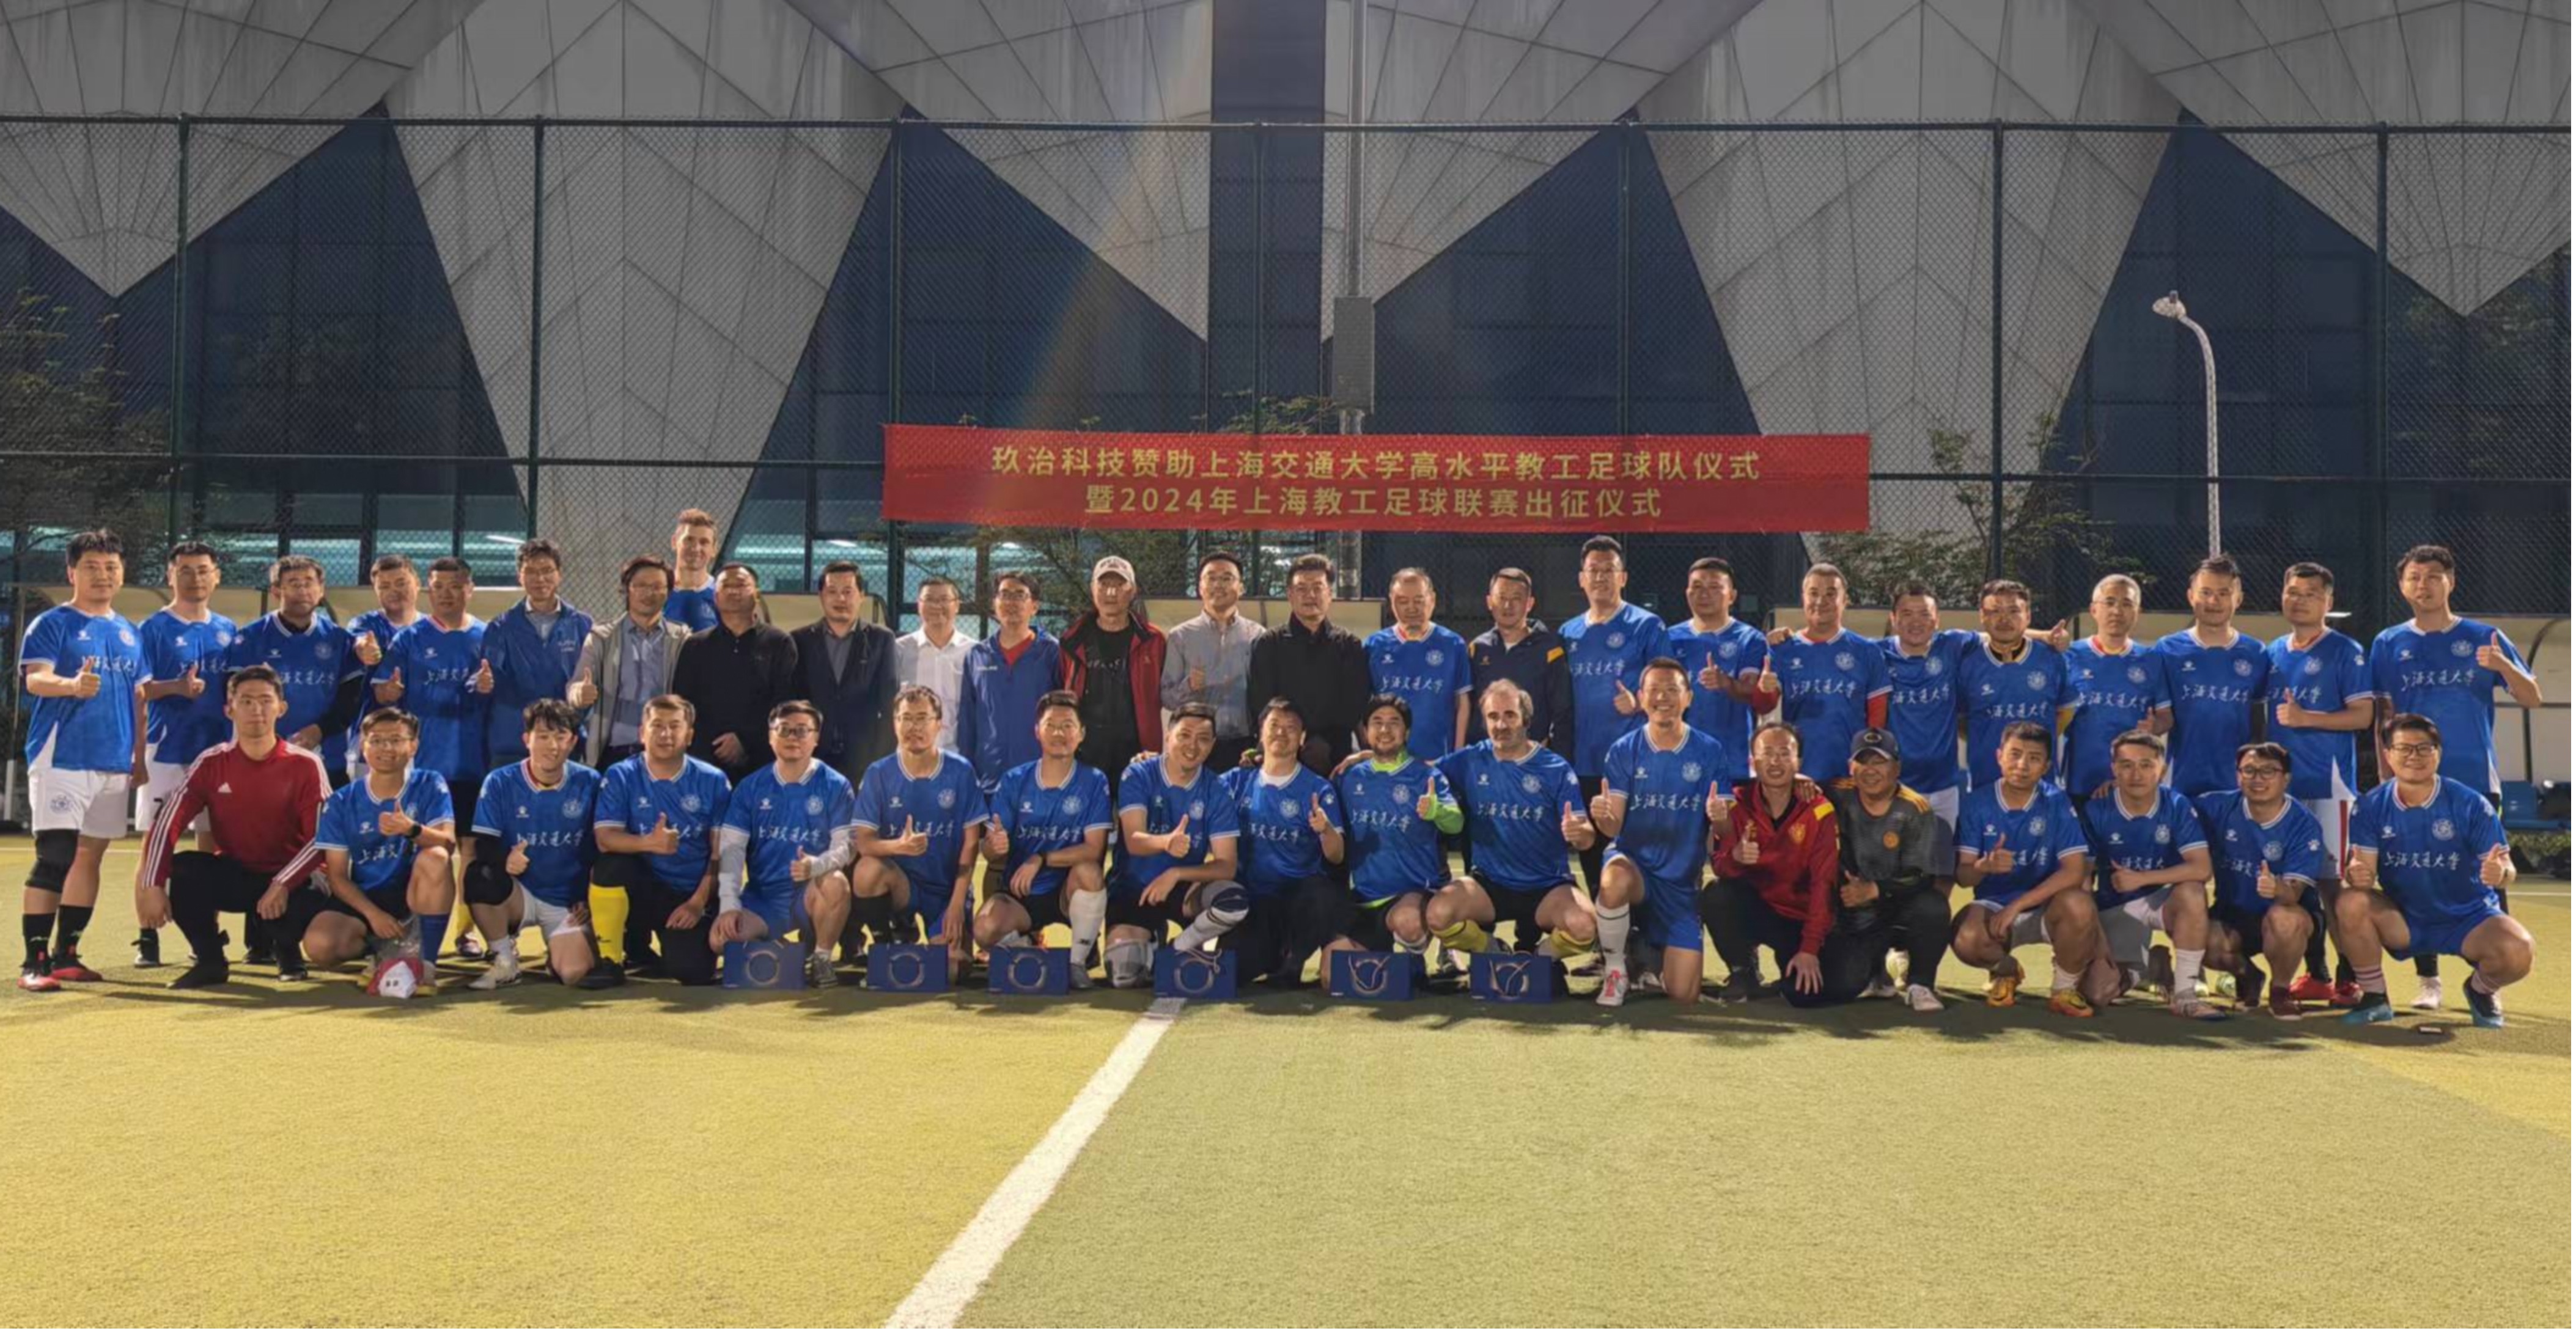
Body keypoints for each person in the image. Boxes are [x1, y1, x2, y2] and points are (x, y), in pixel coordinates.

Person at [2368, 543, 2542, 1010]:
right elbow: (2384, 716)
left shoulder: (2485, 637)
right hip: (2411, 784)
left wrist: (2503, 666)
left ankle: (2488, 984)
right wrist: (2386, 777)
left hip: (2475, 783)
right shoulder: (2388, 643)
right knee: (2413, 877)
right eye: (2414, 577)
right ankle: (2429, 981)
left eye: (2433, 576)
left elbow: (2532, 697)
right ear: (2402, 586)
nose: (2423, 585)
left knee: (2489, 876)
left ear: (2451, 581)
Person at [131, 666, 329, 988]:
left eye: (265, 701)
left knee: (302, 899)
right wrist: (153, 884)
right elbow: (168, 822)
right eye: (246, 701)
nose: (256, 710)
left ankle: (287, 951)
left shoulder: (306, 764)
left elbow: (322, 839)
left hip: (296, 878)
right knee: (185, 870)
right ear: (229, 710)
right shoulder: (211, 762)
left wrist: (282, 883)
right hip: (241, 873)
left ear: (281, 708)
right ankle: (210, 961)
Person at [2336, 714, 2533, 1029]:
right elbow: (2365, 872)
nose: (2414, 756)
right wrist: (2356, 875)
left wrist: (2502, 874)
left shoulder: (2471, 803)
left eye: (2424, 748)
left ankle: (2480, 991)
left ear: (2438, 753)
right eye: (2404, 748)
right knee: (2351, 901)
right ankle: (2375, 997)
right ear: (2388, 755)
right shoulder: (2370, 806)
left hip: (2468, 918)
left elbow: (2507, 867)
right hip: (2405, 919)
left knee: (2519, 951)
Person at [18, 530, 146, 991]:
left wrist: (138, 758)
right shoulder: (52, 623)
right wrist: (72, 685)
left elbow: (138, 699)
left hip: (113, 761)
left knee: (90, 856)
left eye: (111, 567)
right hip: (62, 756)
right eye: (92, 566)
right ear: (72, 573)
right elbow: (36, 679)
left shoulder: (130, 632)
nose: (103, 575)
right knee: (55, 855)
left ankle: (66, 954)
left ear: (122, 573)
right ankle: (33, 964)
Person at [274, 707, 458, 991]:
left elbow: (447, 842)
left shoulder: (430, 783)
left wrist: (411, 829)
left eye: (396, 740)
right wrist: (374, 915)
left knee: (436, 857)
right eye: (377, 740)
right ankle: (383, 950)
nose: (386, 748)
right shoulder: (341, 801)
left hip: (414, 892)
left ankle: (426, 964)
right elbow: (337, 876)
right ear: (363, 746)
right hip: (368, 896)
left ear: (413, 746)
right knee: (320, 946)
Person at [1948, 721, 2118, 1018]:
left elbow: (2074, 871)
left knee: (2098, 984)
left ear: (2047, 766)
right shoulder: (1977, 803)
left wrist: (2017, 906)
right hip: (1994, 905)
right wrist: (1984, 866)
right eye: (2015, 755)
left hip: (2049, 907)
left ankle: (2064, 989)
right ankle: (2006, 971)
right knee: (1966, 939)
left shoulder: (2057, 801)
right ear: (1999, 756)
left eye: (2034, 758)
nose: (2022, 765)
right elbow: (1964, 877)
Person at [1587, 658, 1729, 1007]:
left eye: (1672, 690)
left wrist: (1720, 817)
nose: (1662, 697)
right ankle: (1616, 969)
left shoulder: (1710, 751)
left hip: (1680, 886)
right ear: (1641, 697)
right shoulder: (1624, 750)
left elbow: (1724, 829)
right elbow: (1613, 827)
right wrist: (1602, 816)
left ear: (1688, 698)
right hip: (1636, 870)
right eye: (1654, 690)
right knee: (1614, 879)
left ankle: (1646, 958)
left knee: (1684, 995)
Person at [370, 555, 490, 963]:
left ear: (470, 589)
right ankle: (405, 931)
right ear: (428, 590)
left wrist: (490, 687)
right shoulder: (410, 639)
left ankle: (465, 933)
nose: (446, 595)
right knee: (419, 848)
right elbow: (383, 691)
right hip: (422, 768)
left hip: (474, 762)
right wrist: (387, 692)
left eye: (455, 587)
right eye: (438, 587)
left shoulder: (486, 636)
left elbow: (500, 693)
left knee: (471, 850)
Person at [1425, 680, 1597, 965]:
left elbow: (1587, 837)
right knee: (1438, 914)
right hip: (1489, 883)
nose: (1501, 725)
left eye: (1510, 715)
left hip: (1547, 886)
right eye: (1493, 717)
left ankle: (1538, 959)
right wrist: (1379, 758)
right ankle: (1493, 951)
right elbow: (1423, 770)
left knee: (1585, 927)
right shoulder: (1470, 759)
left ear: (1526, 720)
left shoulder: (1555, 769)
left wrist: (1581, 833)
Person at [2266, 561, 2373, 1005]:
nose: (2300, 600)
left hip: (2330, 789)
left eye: (2311, 594)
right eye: (2293, 592)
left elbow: (2364, 716)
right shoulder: (2273, 651)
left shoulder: (2346, 651)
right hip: (2283, 792)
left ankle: (2352, 979)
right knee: (2296, 882)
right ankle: (2317, 975)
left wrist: (2306, 718)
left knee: (2335, 886)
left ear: (2328, 602)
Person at [131, 539, 238, 967]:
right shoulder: (152, 629)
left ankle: (205, 939)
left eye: (203, 570)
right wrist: (175, 687)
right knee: (156, 843)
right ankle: (147, 937)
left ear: (217, 576)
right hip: (166, 748)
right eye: (186, 571)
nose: (195, 578)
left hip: (216, 752)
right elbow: (137, 690)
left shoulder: (229, 629)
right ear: (170, 576)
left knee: (212, 847)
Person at [585, 695, 732, 988]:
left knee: (691, 971)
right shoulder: (621, 775)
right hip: (644, 887)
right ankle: (611, 960)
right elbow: (605, 839)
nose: (666, 734)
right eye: (657, 726)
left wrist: (697, 903)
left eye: (675, 726)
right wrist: (650, 844)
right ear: (642, 733)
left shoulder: (713, 780)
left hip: (689, 893)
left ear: (689, 735)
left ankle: (663, 946)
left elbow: (722, 854)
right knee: (610, 866)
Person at [711, 700, 856, 989]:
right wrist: (729, 905)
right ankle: (787, 953)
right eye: (784, 730)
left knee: (837, 883)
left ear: (816, 738)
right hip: (764, 897)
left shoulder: (836, 785)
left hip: (809, 892)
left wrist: (817, 865)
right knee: (719, 940)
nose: (793, 738)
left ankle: (821, 959)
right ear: (770, 737)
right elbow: (732, 850)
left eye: (802, 731)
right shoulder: (750, 787)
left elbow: (847, 847)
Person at [2080, 730, 2225, 1020]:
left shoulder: (2177, 805)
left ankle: (2185, 995)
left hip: (2163, 900)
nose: (2136, 774)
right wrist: (2097, 940)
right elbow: (2082, 881)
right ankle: (2149, 967)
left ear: (2162, 769)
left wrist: (2142, 879)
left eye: (2146, 765)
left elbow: (2201, 868)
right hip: (2115, 903)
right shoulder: (2096, 809)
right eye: (2127, 765)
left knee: (2193, 891)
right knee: (2097, 994)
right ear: (2114, 769)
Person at [973, 691, 1114, 986]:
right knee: (984, 929)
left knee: (1090, 873)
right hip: (1022, 891)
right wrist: (994, 846)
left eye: (1067, 726)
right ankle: (1027, 947)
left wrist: (1041, 858)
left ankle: (1078, 961)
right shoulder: (1014, 780)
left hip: (1066, 892)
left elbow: (1094, 849)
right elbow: (990, 851)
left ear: (1081, 733)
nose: (1059, 733)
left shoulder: (1094, 781)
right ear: (1037, 731)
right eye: (1051, 725)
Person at [848, 687, 989, 980]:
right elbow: (863, 841)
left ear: (939, 724)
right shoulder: (878, 773)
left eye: (923, 718)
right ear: (894, 724)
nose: (914, 727)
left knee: (952, 970)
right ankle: (887, 945)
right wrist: (898, 846)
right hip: (903, 885)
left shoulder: (961, 772)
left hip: (947, 891)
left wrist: (956, 904)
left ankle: (933, 931)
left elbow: (971, 844)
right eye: (906, 719)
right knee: (866, 871)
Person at [1312, 695, 1462, 970]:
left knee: (1409, 923)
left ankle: (1414, 961)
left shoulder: (1426, 776)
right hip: (1365, 899)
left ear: (1407, 732)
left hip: (1413, 893)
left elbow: (1456, 823)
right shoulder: (1349, 777)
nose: (1385, 729)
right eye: (1377, 722)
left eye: (1394, 723)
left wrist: (1437, 811)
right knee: (1332, 974)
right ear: (1365, 731)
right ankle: (1388, 961)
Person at [463, 699, 603, 989]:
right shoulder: (499, 781)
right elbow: (484, 844)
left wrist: (588, 897)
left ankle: (558, 951)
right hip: (518, 894)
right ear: (527, 739)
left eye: (561, 736)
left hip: (566, 900)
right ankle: (505, 960)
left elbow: (600, 848)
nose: (552, 746)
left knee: (573, 973)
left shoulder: (590, 782)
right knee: (480, 875)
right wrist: (505, 860)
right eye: (543, 736)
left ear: (573, 742)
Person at [1105, 703, 1246, 988]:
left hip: (1184, 890)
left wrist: (1177, 874)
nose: (1193, 746)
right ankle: (1151, 935)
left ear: (1213, 745)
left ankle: (1178, 948)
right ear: (1168, 736)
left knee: (1233, 901)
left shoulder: (1217, 789)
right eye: (1184, 735)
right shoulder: (1138, 774)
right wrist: (1166, 842)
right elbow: (1134, 841)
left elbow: (1227, 865)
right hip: (1134, 888)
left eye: (1203, 739)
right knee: (1124, 974)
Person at [1561, 535, 1668, 896]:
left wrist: (1639, 701)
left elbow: (1670, 688)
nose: (1601, 577)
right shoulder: (1568, 633)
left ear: (1623, 578)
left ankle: (1644, 926)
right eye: (1593, 570)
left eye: (1609, 570)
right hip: (1583, 761)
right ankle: (1605, 929)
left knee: (1636, 856)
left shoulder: (1646, 625)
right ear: (1581, 579)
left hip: (1633, 763)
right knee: (1591, 853)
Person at [1825, 727, 1955, 1012]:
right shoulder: (1836, 792)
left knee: (1933, 907)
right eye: (1863, 762)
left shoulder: (1915, 808)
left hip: (1898, 908)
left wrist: (1874, 890)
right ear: (1851, 767)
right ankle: (1875, 974)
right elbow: (1797, 789)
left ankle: (1920, 984)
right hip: (1853, 910)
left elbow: (1922, 876)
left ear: (1897, 768)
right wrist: (1800, 782)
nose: (1870, 771)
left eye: (1880, 762)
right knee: (1841, 987)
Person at [1221, 698, 1348, 986]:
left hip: (1299, 898)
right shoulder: (1235, 782)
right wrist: (1152, 761)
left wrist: (1326, 830)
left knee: (1322, 895)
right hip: (1254, 898)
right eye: (1274, 725)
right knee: (1235, 969)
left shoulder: (1319, 789)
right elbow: (1195, 781)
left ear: (1302, 738)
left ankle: (1294, 960)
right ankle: (1272, 954)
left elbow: (1337, 856)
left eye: (1291, 728)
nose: (1281, 732)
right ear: (1260, 733)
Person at [2195, 742, 2325, 1021]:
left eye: (2268, 771)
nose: (2258, 779)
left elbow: (2293, 894)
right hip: (2232, 913)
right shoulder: (2215, 806)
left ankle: (2280, 991)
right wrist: (2115, 789)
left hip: (2285, 912)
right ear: (2237, 775)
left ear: (2286, 779)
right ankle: (2249, 976)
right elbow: (2167, 806)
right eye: (2249, 771)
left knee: (2285, 919)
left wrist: (2277, 887)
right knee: (2196, 935)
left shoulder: (2304, 823)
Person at [225, 552, 368, 795]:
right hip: (264, 756)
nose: (303, 590)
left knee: (326, 818)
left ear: (321, 590)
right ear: (276, 591)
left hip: (328, 757)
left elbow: (351, 700)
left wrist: (319, 731)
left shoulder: (339, 640)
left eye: (309, 583)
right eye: (294, 584)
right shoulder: (251, 638)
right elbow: (234, 697)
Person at [671, 562, 800, 782]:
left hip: (763, 762)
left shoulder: (779, 643)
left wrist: (745, 741)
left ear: (756, 595)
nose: (733, 591)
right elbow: (683, 703)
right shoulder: (696, 645)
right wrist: (713, 746)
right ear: (716, 597)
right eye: (726, 586)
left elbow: (784, 702)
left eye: (740, 585)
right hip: (704, 762)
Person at [1247, 552, 1372, 775]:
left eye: (1317, 588)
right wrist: (1298, 738)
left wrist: (1319, 739)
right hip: (1281, 750)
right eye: (1301, 589)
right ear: (1290, 595)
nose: (1310, 596)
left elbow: (1354, 706)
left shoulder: (1349, 645)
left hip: (1335, 755)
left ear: (1330, 594)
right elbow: (1261, 703)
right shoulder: (1268, 644)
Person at [1767, 562, 1891, 784]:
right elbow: (1763, 704)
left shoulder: (1867, 651)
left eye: (1831, 594)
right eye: (1813, 593)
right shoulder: (1782, 649)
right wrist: (1763, 688)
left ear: (1845, 600)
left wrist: (1867, 761)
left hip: (1849, 775)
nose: (1820, 601)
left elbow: (1877, 716)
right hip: (1800, 776)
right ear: (1803, 598)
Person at [2157, 554, 2269, 798]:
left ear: (2238, 599)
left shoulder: (2257, 653)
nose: (2213, 601)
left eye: (2223, 593)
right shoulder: (2166, 650)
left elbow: (2260, 723)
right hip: (2180, 780)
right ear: (2191, 596)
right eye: (2205, 592)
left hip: (2238, 783)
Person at [570, 555, 691, 772]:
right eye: (641, 586)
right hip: (614, 750)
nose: (649, 593)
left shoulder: (682, 639)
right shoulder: (602, 638)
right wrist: (579, 693)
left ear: (669, 592)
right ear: (626, 589)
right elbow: (575, 687)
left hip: (666, 749)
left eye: (657, 587)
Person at [480, 538, 592, 773]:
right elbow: (485, 680)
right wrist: (481, 684)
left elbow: (589, 683)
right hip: (512, 743)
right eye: (531, 572)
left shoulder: (583, 625)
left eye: (547, 571)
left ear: (559, 574)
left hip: (563, 742)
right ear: (519, 577)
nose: (540, 579)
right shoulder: (500, 628)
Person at [1059, 556, 1167, 796]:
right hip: (1086, 751)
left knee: (1137, 814)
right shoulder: (1071, 641)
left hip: (1138, 751)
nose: (1111, 592)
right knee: (1085, 814)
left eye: (1119, 585)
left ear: (1133, 590)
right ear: (1092, 589)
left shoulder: (1154, 641)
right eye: (1104, 584)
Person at [2057, 573, 2171, 801]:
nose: (2117, 611)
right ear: (2094, 610)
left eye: (2127, 604)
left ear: (2137, 612)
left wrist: (2155, 726)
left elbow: (2166, 716)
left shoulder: (2151, 660)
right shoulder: (2070, 656)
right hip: (2080, 779)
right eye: (2109, 602)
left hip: (2132, 784)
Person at [790, 560, 898, 785]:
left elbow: (889, 703)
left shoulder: (881, 639)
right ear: (821, 596)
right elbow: (793, 701)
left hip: (865, 758)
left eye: (848, 592)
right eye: (832, 591)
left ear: (861, 596)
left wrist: (882, 761)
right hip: (812, 755)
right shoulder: (799, 641)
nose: (840, 599)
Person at [1880, 579, 1977, 827]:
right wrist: (1786, 637)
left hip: (1944, 786)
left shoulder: (1951, 645)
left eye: (1925, 614)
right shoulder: (1875, 654)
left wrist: (2047, 637)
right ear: (1894, 619)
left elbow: (1998, 635)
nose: (1916, 622)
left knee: (1942, 850)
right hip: (1896, 786)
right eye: (1907, 614)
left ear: (1937, 620)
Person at [1957, 579, 2067, 793]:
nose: (2004, 619)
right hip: (1985, 782)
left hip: (2041, 785)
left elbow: (2065, 712)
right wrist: (1988, 736)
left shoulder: (2052, 659)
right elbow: (1961, 720)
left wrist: (2036, 741)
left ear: (2028, 616)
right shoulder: (1967, 663)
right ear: (1982, 616)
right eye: (1995, 611)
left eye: (2013, 611)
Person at [957, 571, 1062, 793]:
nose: (1011, 602)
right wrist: (968, 773)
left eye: (1020, 595)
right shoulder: (977, 655)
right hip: (988, 779)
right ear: (994, 605)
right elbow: (967, 719)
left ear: (1034, 606)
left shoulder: (1053, 653)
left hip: (1040, 778)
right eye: (1004, 595)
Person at [1160, 551, 1264, 766]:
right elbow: (1166, 698)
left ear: (1241, 588)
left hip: (1245, 744)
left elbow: (1267, 696)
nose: (1218, 585)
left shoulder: (1257, 636)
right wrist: (1189, 686)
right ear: (1200, 587)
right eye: (1211, 578)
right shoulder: (1180, 636)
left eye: (1227, 578)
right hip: (1196, 746)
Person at [1363, 568, 1473, 763]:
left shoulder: (1453, 644)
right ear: (1391, 601)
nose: (1411, 608)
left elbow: (1462, 703)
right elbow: (1362, 703)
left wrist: (1457, 755)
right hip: (1388, 760)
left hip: (1438, 759)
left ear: (1432, 600)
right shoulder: (1374, 646)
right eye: (1403, 601)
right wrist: (1369, 749)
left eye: (1419, 601)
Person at [1466, 567, 1572, 757]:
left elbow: (1563, 712)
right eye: (1502, 597)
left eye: (1516, 598)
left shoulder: (1550, 649)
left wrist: (1553, 756)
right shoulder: (1477, 648)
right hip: (1486, 760)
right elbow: (1467, 708)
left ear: (1530, 603)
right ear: (1489, 602)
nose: (1508, 605)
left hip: (1531, 758)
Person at [339, 554, 422, 784]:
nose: (394, 591)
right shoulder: (365, 625)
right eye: (384, 586)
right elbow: (359, 642)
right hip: (373, 738)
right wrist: (365, 650)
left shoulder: (431, 629)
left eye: (401, 583)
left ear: (417, 583)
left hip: (423, 739)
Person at [894, 576, 976, 754]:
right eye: (929, 599)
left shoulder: (973, 652)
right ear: (919, 605)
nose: (937, 606)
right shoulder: (898, 650)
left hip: (958, 755)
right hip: (909, 756)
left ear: (957, 606)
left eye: (944, 600)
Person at [663, 508, 723, 632]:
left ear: (714, 549)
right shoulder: (657, 591)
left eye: (704, 542)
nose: (695, 548)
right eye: (689, 540)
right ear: (674, 542)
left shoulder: (722, 596)